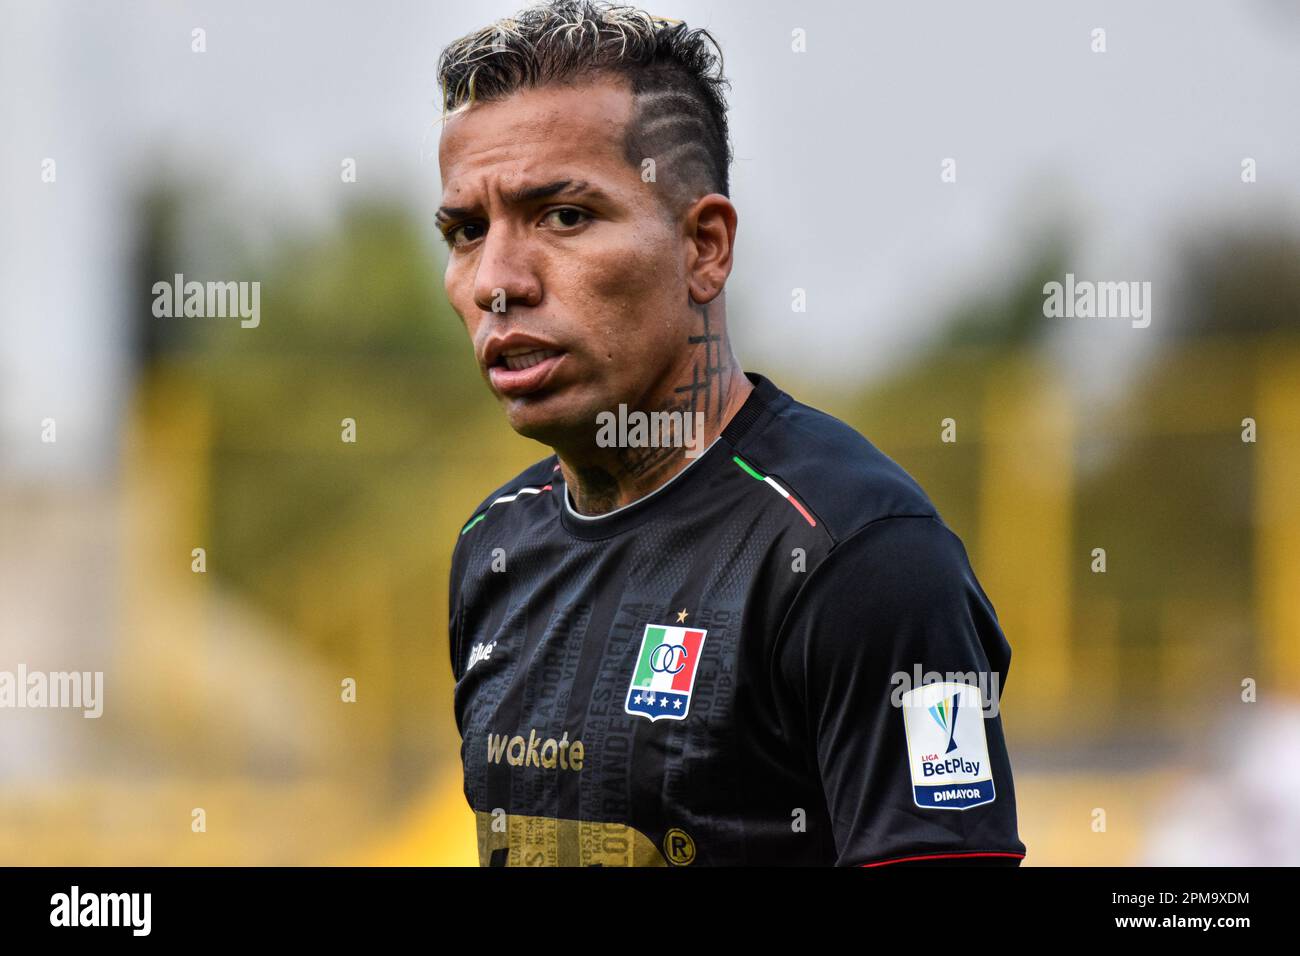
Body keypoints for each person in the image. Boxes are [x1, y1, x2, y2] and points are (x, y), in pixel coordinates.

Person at [439, 0, 1025, 866]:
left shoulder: (864, 558)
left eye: (564, 215)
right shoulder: (492, 547)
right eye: (467, 230)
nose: (497, 281)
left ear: (704, 247)